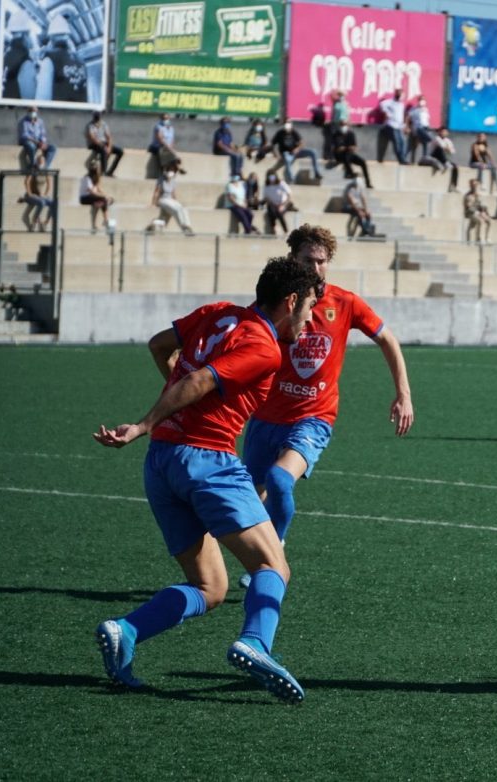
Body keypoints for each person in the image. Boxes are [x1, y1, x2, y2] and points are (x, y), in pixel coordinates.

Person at [92, 257, 322, 703]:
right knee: (273, 566)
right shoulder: (264, 346)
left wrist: (165, 416)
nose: (310, 320)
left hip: (162, 463)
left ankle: (126, 630)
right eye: (309, 307)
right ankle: (255, 642)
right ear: (290, 301)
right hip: (208, 461)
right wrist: (144, 422)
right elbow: (199, 380)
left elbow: (160, 346)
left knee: (211, 587)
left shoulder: (217, 312)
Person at [240, 225, 413, 581]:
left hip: (313, 419)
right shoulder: (276, 302)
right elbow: (242, 336)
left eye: (322, 261)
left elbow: (388, 339)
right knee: (245, 499)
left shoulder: (344, 303)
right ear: (293, 259)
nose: (316, 268)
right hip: (265, 417)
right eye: (308, 260)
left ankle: (275, 551)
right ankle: (254, 559)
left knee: (279, 479)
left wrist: (403, 395)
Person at [35, 16, 88, 102]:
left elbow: (42, 99)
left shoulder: (49, 60)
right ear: (68, 37)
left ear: (51, 38)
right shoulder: (81, 62)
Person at [270, 119, 321, 184]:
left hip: (295, 153)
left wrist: (297, 149)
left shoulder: (294, 132)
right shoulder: (280, 133)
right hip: (286, 154)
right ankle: (291, 179)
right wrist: (276, 154)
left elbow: (302, 143)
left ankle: (317, 173)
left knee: (313, 152)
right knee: (285, 159)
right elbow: (272, 144)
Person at [150, 166, 194, 235]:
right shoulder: (161, 180)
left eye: (173, 171)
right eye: (170, 170)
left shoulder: (173, 181)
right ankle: (184, 227)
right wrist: (153, 203)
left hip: (170, 200)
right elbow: (157, 192)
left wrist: (176, 202)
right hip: (163, 199)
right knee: (176, 209)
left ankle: (188, 226)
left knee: (183, 208)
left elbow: (173, 193)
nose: (171, 172)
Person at [332, 121, 372, 186]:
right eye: (342, 125)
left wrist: (347, 148)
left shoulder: (350, 134)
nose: (343, 127)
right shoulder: (336, 135)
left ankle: (368, 182)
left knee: (363, 162)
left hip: (349, 154)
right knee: (346, 156)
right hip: (340, 155)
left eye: (345, 125)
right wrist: (345, 148)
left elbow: (354, 147)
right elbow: (337, 149)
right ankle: (350, 173)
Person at [85, 111, 123, 177]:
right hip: (94, 144)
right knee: (103, 150)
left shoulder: (104, 124)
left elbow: (108, 137)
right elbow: (92, 138)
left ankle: (110, 172)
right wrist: (103, 146)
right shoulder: (90, 125)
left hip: (104, 143)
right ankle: (103, 172)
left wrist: (109, 147)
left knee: (120, 152)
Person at [18, 106, 56, 171]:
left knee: (52, 148)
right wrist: (36, 142)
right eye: (31, 111)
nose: (33, 113)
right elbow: (25, 135)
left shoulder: (40, 121)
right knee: (31, 146)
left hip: (39, 142)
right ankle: (33, 165)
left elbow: (43, 133)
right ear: (28, 111)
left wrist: (43, 142)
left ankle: (45, 167)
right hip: (28, 141)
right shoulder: (23, 121)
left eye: (35, 111)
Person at [78, 162, 113, 233]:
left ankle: (95, 225)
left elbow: (98, 189)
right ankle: (106, 220)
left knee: (101, 202)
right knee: (103, 200)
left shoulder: (95, 178)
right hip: (84, 198)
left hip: (92, 197)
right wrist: (104, 197)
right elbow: (92, 192)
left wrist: (106, 195)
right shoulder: (87, 178)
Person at [421, 127, 459, 192]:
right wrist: (448, 148)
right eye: (442, 132)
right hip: (435, 156)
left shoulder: (448, 140)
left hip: (444, 158)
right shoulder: (436, 138)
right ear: (439, 132)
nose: (444, 133)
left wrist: (448, 149)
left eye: (445, 132)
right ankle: (446, 163)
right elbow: (442, 146)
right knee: (439, 149)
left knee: (455, 167)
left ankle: (453, 186)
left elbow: (453, 151)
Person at [378, 89, 408, 164]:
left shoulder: (401, 104)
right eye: (399, 94)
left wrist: (404, 125)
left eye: (401, 95)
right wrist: (387, 112)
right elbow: (381, 105)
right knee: (397, 143)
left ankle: (403, 158)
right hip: (391, 125)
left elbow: (401, 115)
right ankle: (401, 160)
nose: (400, 96)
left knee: (403, 142)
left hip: (399, 126)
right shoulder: (390, 102)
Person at [407, 95, 433, 163]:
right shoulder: (414, 109)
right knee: (429, 139)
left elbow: (427, 120)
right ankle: (430, 139)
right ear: (418, 101)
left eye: (423, 100)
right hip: (418, 128)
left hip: (426, 128)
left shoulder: (426, 110)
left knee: (425, 144)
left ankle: (425, 159)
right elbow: (408, 118)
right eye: (421, 100)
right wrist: (407, 127)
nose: (422, 101)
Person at [463, 179, 491, 243]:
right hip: (470, 213)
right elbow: (468, 207)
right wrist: (478, 213)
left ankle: (488, 238)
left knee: (489, 221)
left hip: (478, 213)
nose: (475, 186)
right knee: (480, 221)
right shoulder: (468, 195)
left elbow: (482, 205)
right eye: (473, 185)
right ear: (470, 185)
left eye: (476, 185)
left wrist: (484, 212)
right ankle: (479, 239)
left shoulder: (479, 195)